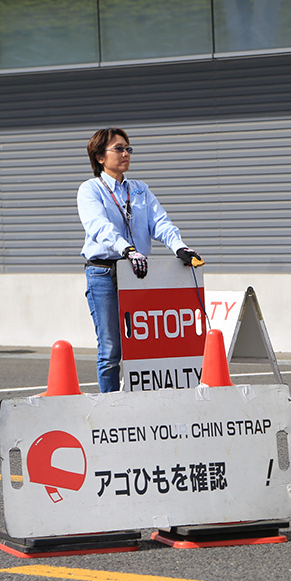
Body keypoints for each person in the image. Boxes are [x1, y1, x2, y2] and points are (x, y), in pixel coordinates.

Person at [77, 128, 203, 393]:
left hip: (138, 272)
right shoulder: (90, 189)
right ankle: (111, 406)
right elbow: (98, 226)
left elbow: (160, 222)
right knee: (111, 348)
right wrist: (127, 249)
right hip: (104, 273)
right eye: (119, 149)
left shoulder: (140, 189)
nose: (126, 154)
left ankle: (145, 403)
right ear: (100, 157)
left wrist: (180, 247)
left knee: (144, 343)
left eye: (128, 149)